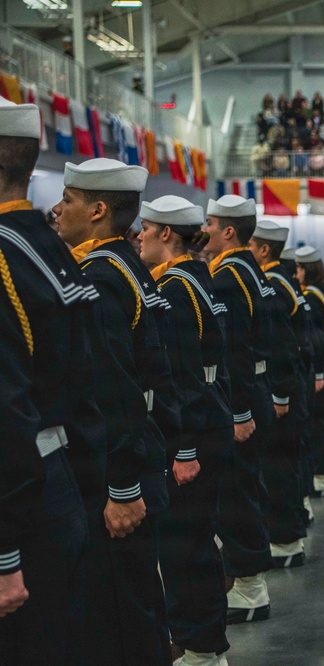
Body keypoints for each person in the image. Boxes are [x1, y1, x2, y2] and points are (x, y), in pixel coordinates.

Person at [54, 158, 173, 665]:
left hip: (115, 470)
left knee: (117, 616)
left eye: (70, 199)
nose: (57, 209)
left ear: (99, 209)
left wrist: (122, 489)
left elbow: (115, 391)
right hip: (141, 453)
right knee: (136, 602)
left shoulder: (100, 279)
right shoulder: (128, 267)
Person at [0, 97, 96, 666]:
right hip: (58, 485)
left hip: (19, 499)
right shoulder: (48, 248)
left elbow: (6, 410)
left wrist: (5, 550)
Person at [138, 196, 233, 666]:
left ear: (166, 235)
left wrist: (184, 449)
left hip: (192, 431)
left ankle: (201, 645)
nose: (139, 236)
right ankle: (204, 639)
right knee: (197, 538)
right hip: (211, 417)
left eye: (147, 229)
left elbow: (184, 375)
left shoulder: (175, 288)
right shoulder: (202, 279)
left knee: (184, 545)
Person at [202, 195, 277, 624]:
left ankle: (249, 587)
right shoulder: (249, 269)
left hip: (243, 398)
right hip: (256, 392)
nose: (204, 230)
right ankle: (247, 578)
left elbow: (234, 351)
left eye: (210, 223)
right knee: (244, 488)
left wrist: (238, 412)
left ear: (229, 230)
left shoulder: (229, 275)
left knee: (237, 494)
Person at [248, 220, 313, 568]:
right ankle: (292, 527)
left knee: (279, 466)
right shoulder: (285, 281)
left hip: (284, 386)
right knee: (288, 461)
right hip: (295, 382)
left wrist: (282, 396)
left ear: (262, 250)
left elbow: (282, 345)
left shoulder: (272, 283)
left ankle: (286, 540)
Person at [296, 247, 324, 499]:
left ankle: (322, 476)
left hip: (320, 369)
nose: (296, 273)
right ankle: (323, 475)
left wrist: (319, 374)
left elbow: (319, 341)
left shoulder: (312, 298)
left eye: (299, 268)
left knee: (316, 423)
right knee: (320, 421)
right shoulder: (322, 292)